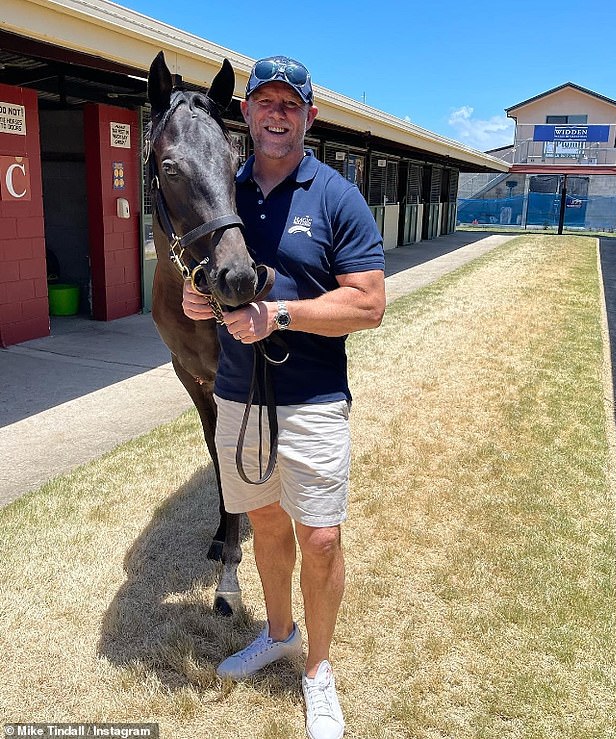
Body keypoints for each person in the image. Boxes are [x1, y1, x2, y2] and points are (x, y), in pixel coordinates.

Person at [182, 55, 385, 739]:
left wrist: (282, 316)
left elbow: (370, 304)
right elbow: (204, 267)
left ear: (309, 116)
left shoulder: (335, 194)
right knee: (265, 526)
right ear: (247, 112)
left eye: (289, 105)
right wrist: (196, 295)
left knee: (320, 538)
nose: (276, 114)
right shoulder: (224, 186)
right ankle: (278, 632)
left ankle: (318, 671)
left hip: (314, 396)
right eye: (264, 102)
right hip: (239, 397)